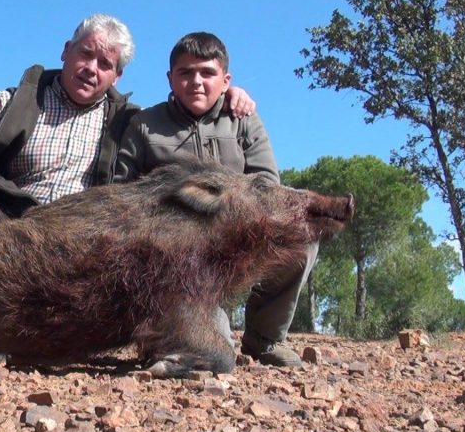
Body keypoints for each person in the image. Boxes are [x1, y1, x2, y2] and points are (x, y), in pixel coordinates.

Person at [0, 15, 256, 252]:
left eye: (105, 64)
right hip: (5, 230)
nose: (91, 68)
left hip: (79, 242)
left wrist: (227, 97)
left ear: (117, 75)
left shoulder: (131, 120)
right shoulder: (18, 98)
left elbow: (181, 129)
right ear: (66, 50)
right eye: (85, 53)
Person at [115, 32, 317, 368]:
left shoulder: (244, 119)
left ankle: (264, 340)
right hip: (175, 256)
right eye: (185, 72)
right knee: (213, 353)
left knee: (303, 233)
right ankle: (171, 335)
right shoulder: (144, 125)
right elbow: (122, 194)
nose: (196, 81)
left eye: (207, 73)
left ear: (225, 80)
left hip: (236, 240)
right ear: (170, 78)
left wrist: (224, 211)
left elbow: (268, 187)